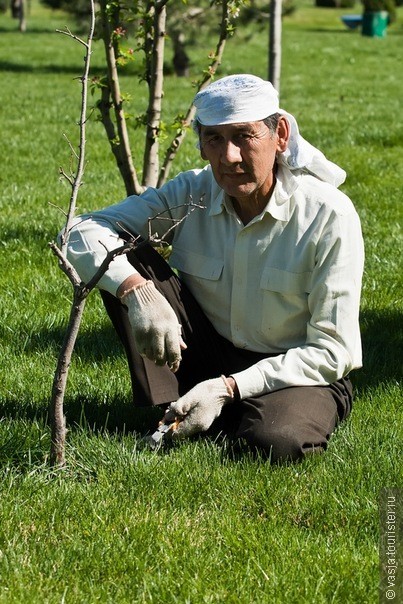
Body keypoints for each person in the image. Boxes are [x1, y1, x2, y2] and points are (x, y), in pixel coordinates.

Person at [65, 74, 364, 463]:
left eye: (244, 136)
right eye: (215, 140)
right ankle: (180, 403)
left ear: (281, 135)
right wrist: (136, 290)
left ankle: (229, 410)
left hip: (293, 370)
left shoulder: (328, 215)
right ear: (202, 145)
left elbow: (333, 350)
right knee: (119, 256)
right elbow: (80, 232)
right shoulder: (192, 193)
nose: (230, 157)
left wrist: (228, 387)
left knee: (275, 441)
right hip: (204, 352)